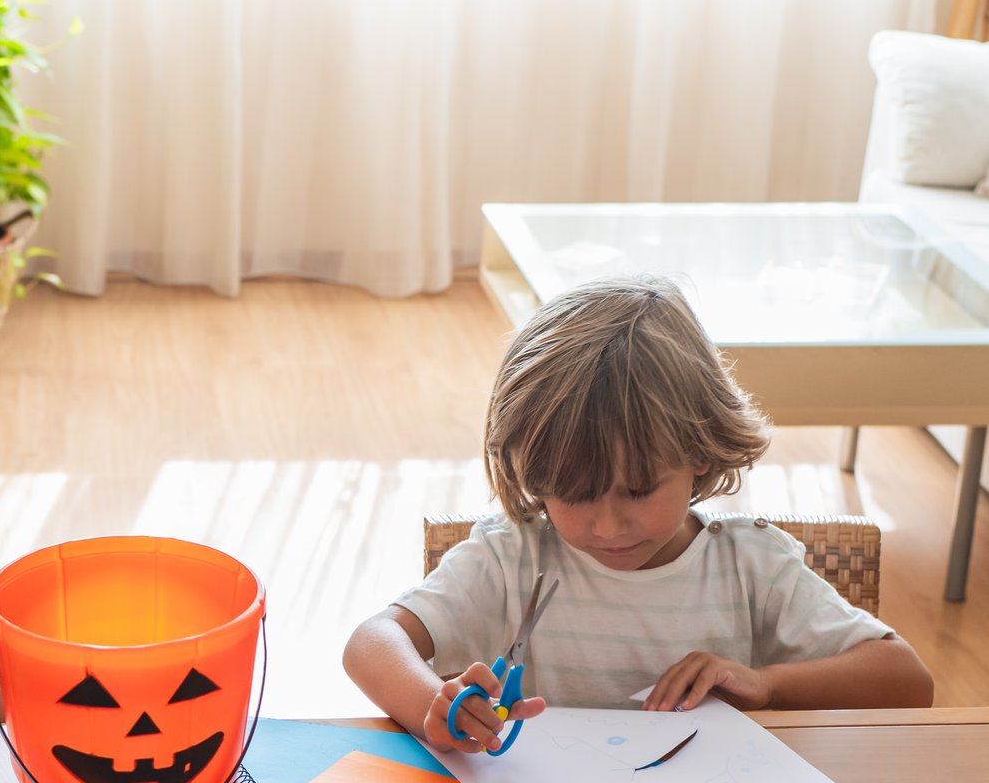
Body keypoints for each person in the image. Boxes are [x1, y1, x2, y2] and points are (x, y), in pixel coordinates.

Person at [344, 274, 933, 754]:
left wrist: (767, 685)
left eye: (639, 489)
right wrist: (433, 704)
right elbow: (372, 642)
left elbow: (906, 681)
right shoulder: (511, 557)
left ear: (700, 455)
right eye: (574, 495)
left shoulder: (751, 567)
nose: (607, 526)